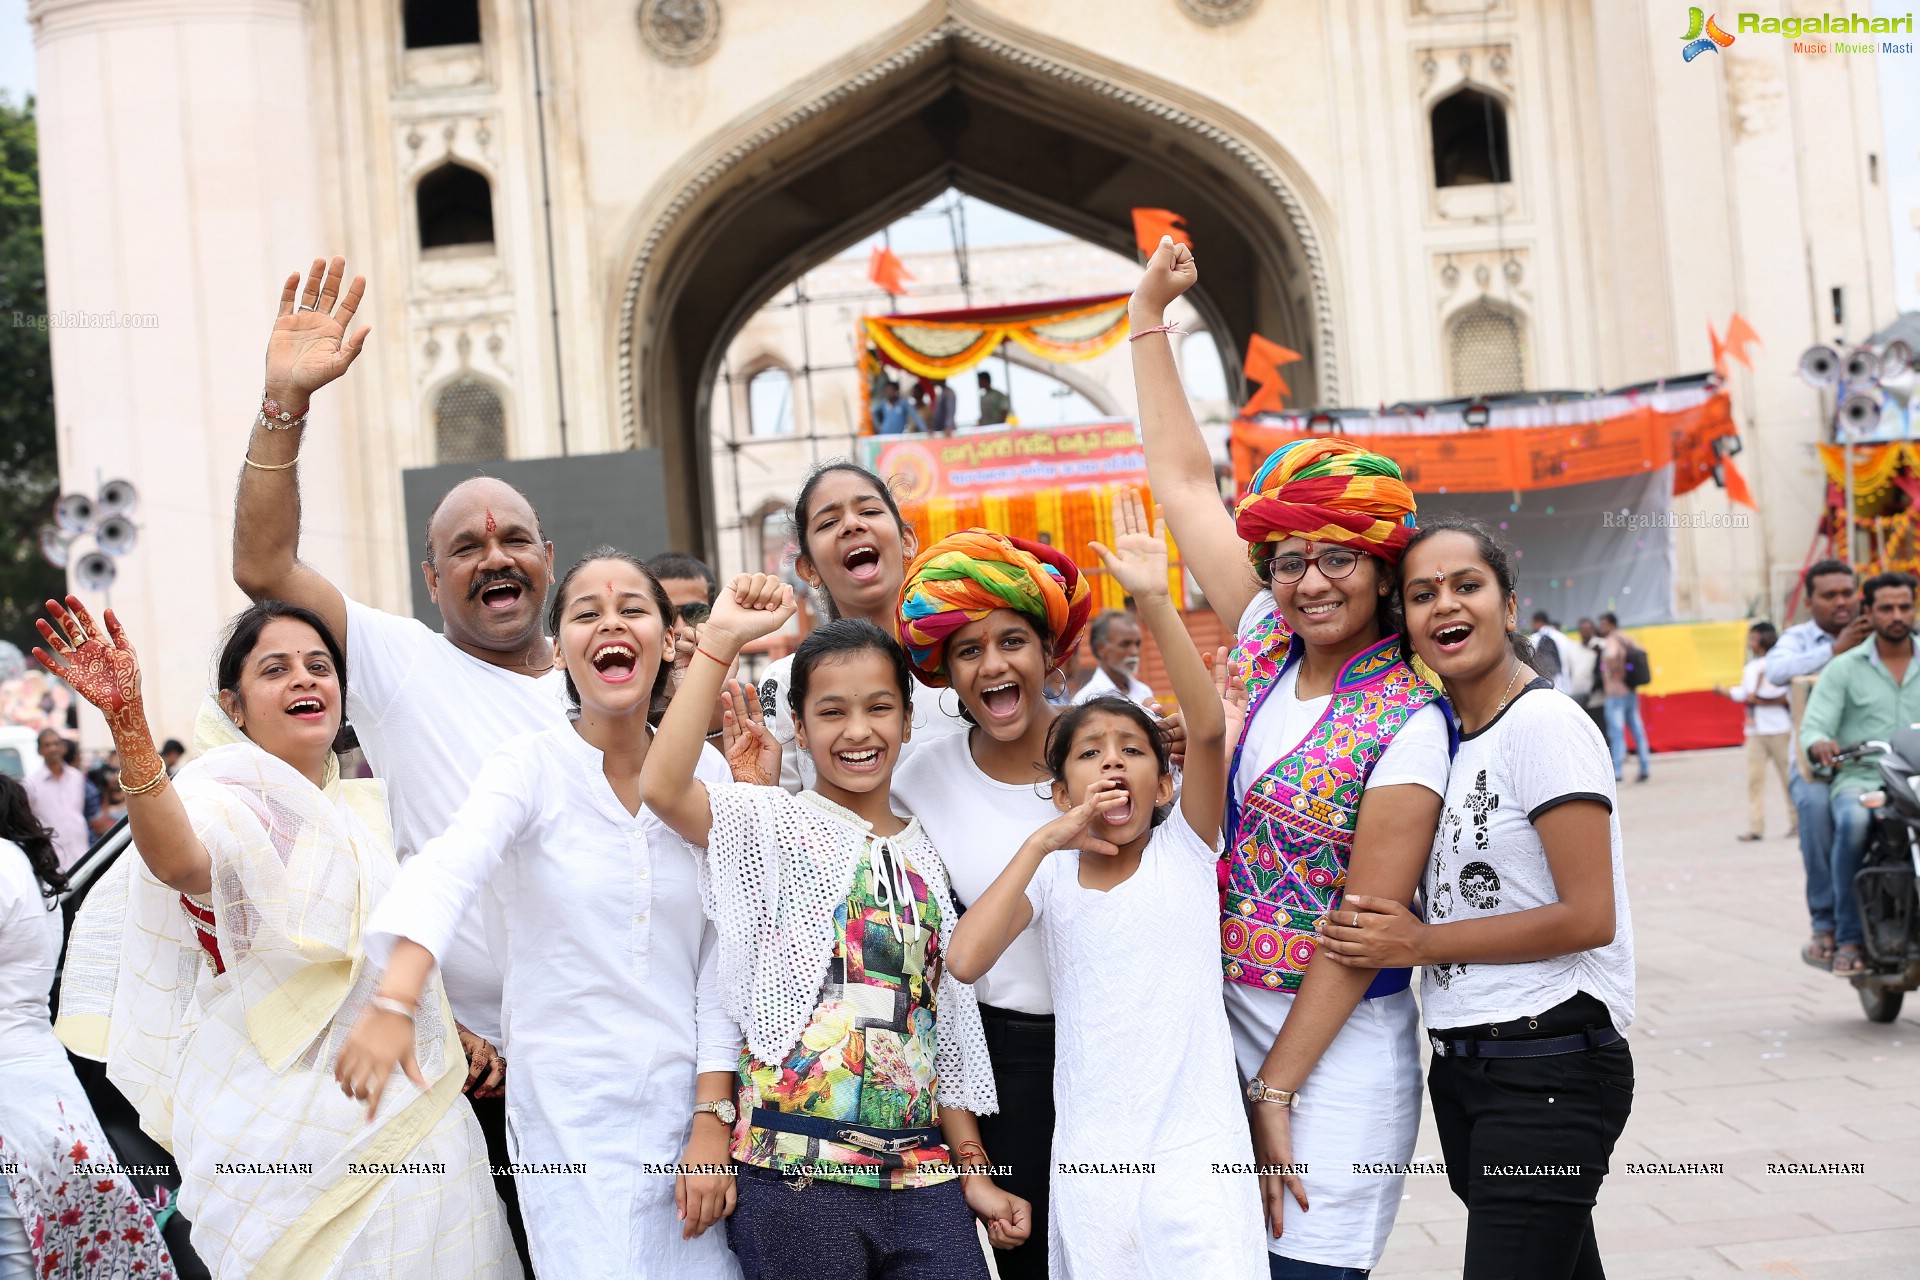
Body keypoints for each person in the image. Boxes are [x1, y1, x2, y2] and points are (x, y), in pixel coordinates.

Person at [1130, 235, 1451, 1279]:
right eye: (1291, 559)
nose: (1311, 581)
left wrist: (1276, 1087)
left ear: (1384, 563)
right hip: (1216, 1029)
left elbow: (1362, 933)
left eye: (1339, 558)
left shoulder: (1408, 713)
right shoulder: (1267, 637)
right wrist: (1148, 318)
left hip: (1334, 1054)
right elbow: (1182, 482)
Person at [230, 257, 562, 1263]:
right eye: (465, 546)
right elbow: (264, 567)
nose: (492, 555)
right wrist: (284, 404)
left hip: (619, 1066)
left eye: (513, 538)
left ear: (549, 556)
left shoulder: (613, 685)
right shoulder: (403, 663)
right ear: (432, 577)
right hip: (476, 1069)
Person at [41, 596, 519, 1277]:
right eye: (277, 669)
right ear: (232, 707)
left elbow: (371, 963)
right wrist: (129, 724)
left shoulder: (357, 815)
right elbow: (180, 862)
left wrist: (447, 1024)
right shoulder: (221, 797)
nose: (305, 679)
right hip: (283, 1148)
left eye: (319, 666)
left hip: (417, 1130)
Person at [339, 550, 741, 1278]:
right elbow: (451, 864)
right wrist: (398, 993)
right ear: (561, 653)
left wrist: (712, 1118)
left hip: (691, 1111)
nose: (610, 622)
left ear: (666, 638)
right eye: (587, 612)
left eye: (632, 609)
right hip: (569, 1115)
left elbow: (722, 952)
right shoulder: (527, 766)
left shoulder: (707, 776)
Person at [642, 575, 1029, 1280]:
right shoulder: (770, 823)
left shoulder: (926, 851)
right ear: (799, 724)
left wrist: (973, 1171)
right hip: (794, 1177)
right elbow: (664, 787)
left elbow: (944, 1030)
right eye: (832, 711)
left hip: (922, 1178)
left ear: (907, 722)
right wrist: (721, 643)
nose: (858, 730)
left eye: (880, 708)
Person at [946, 492, 1266, 1277]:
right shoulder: (1051, 875)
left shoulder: (1186, 849)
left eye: (1133, 749)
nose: (1114, 762)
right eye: (1090, 754)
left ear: (1165, 785)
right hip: (1093, 1158)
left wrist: (1153, 596)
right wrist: (1041, 843)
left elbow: (1210, 724)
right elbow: (963, 959)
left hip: (1199, 1150)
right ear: (1060, 792)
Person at [1318, 519, 1634, 1280]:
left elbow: (1590, 916)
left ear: (1510, 606)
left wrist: (1420, 945)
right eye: (1422, 595)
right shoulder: (1445, 739)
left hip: (1548, 1066)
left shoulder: (1544, 725)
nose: (1444, 606)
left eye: (1467, 586)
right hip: (1468, 1068)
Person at [892, 527, 1096, 1280]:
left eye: (1013, 639)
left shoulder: (1111, 748)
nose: (994, 663)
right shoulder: (919, 780)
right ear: (945, 672)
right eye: (968, 650)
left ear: (1050, 652)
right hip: (1003, 1065)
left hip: (1116, 1047)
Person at [0, 771, 178, 1280]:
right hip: (43, 1084)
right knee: (39, 1241)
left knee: (17, 1245)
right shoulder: (27, 871)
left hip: (12, 1094)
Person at [759, 461, 968, 792]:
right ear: (808, 568)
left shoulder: (966, 658)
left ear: (907, 541)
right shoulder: (787, 680)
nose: (851, 525)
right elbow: (777, 810)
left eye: (869, 512)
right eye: (828, 522)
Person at [1802, 571, 1920, 979]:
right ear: (1867, 612)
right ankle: (1849, 935)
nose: (1897, 615)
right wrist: (1819, 743)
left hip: (1916, 779)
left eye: (1904, 606)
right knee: (1852, 821)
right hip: (1864, 777)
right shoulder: (1844, 668)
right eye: (1886, 607)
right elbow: (1814, 725)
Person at [1765, 560, 1867, 970]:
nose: (1841, 602)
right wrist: (1834, 650)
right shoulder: (1798, 639)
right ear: (1810, 602)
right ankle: (1826, 922)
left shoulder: (1875, 629)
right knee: (1818, 814)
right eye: (1830, 595)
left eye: (1847, 593)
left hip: (1875, 757)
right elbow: (1775, 671)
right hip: (1816, 766)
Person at [1718, 621, 1794, 843]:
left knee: (1789, 780)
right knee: (1754, 781)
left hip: (1780, 728)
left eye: (1753, 638)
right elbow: (1748, 694)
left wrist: (1757, 699)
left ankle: (1798, 822)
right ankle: (1756, 827)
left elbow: (1783, 696)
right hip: (1755, 730)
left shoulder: (1780, 665)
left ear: (1763, 638)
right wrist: (1728, 693)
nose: (1750, 643)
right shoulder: (1751, 668)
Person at [650, 551, 728, 740]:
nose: (679, 627)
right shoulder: (629, 702)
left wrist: (713, 695)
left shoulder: (741, 697)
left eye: (695, 611)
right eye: (666, 614)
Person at [22, 728, 87, 872]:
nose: (52, 748)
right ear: (39, 751)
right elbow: (28, 821)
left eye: (55, 743)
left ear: (62, 747)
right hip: (55, 861)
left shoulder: (76, 777)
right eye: (47, 745)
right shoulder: (31, 783)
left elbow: (78, 812)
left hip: (82, 855)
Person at [1596, 613, 1650, 783]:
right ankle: (1644, 766)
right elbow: (1642, 651)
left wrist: (1611, 669)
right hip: (1630, 691)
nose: (1601, 627)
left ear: (1611, 624)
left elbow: (1611, 655)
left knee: (1616, 732)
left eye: (1603, 624)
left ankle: (1617, 771)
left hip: (1615, 693)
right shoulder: (1626, 638)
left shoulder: (1612, 640)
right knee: (1637, 730)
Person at [1071, 609, 1155, 707]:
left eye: (1137, 644)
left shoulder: (1144, 692)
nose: (1134, 652)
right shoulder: (1084, 700)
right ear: (1101, 648)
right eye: (1125, 644)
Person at [1528, 612, 1579, 696]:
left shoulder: (1533, 639)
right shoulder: (1562, 638)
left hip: (1542, 691)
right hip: (1564, 689)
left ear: (1538, 622)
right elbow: (1572, 665)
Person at [1574, 619, 1607, 739]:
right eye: (1582, 630)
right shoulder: (1575, 648)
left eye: (1587, 629)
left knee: (1601, 731)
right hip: (1581, 698)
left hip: (1598, 697)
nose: (1585, 632)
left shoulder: (1601, 646)